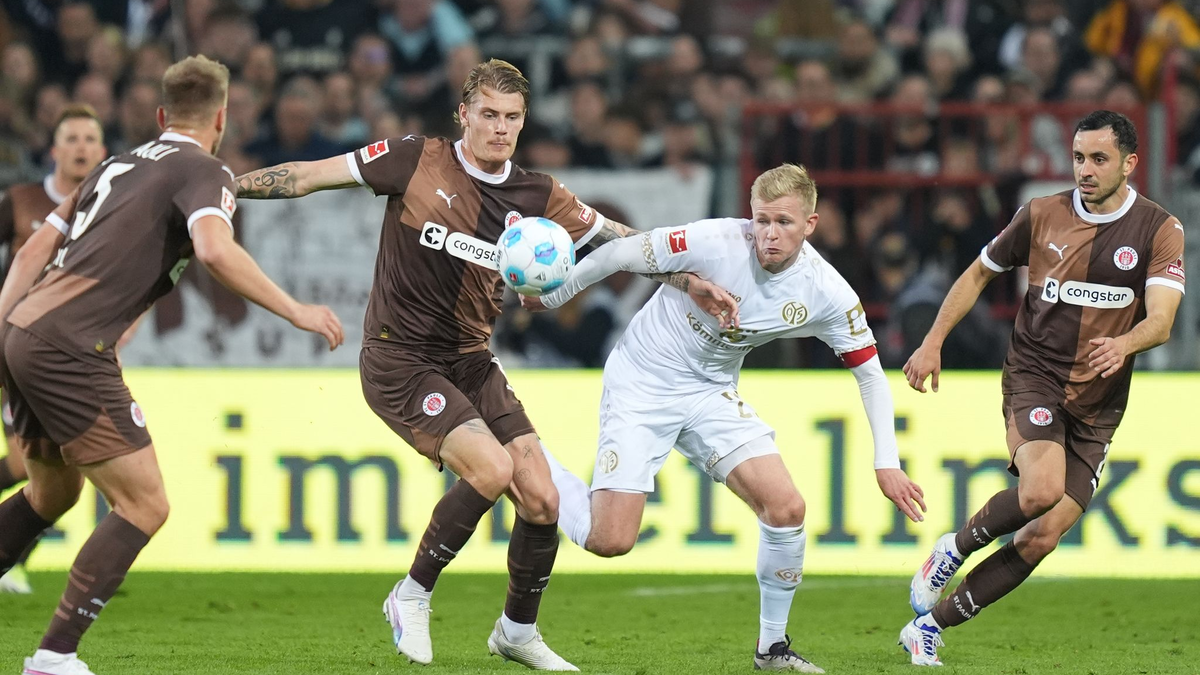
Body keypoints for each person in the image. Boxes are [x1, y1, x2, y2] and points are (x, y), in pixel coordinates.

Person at [233, 58, 737, 670]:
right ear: (463, 115)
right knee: (493, 468)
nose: (500, 128)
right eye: (489, 114)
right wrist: (223, 190)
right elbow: (308, 176)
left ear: (523, 122)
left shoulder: (537, 196)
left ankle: (516, 632)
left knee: (543, 500)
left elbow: (619, 241)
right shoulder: (414, 159)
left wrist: (688, 281)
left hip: (471, 361)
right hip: (399, 358)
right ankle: (411, 593)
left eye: (512, 117)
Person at [0, 55, 343, 675]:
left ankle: (53, 653)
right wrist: (296, 309)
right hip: (71, 347)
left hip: (22, 332)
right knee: (145, 505)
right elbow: (213, 248)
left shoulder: (114, 164)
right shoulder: (204, 169)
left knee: (52, 492)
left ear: (161, 115)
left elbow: (31, 253)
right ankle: (53, 657)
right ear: (222, 118)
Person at [524, 163, 927, 673]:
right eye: (761, 220)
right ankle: (530, 461)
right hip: (644, 379)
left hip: (711, 391)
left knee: (786, 508)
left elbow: (870, 374)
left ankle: (772, 649)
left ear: (811, 224)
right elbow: (619, 252)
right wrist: (555, 295)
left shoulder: (826, 291)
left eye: (783, 222)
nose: (769, 234)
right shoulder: (714, 241)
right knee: (610, 541)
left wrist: (886, 461)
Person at [901, 110, 1185, 666]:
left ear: (1130, 163)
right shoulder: (1041, 214)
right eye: (1078, 158)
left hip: (1099, 406)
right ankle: (951, 549)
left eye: (1099, 159)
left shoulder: (1159, 229)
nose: (1085, 170)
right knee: (1040, 491)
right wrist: (933, 341)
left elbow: (1163, 320)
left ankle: (928, 627)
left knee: (1042, 535)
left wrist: (1125, 344)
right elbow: (979, 272)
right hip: (1036, 376)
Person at [0, 103, 108, 595]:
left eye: (89, 139)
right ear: (54, 150)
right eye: (72, 138)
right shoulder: (21, 200)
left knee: (54, 468)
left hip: (69, 351)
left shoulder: (110, 207)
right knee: (32, 467)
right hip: (14, 344)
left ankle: (16, 560)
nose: (81, 147)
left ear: (102, 152)